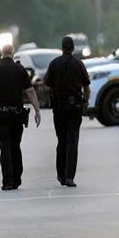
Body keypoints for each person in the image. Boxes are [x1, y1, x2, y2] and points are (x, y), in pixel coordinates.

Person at [0, 44, 41, 190]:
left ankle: (7, 181)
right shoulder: (20, 69)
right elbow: (30, 91)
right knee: (15, 146)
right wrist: (37, 110)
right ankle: (17, 179)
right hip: (16, 116)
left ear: (2, 53)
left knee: (5, 148)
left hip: (0, 116)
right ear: (13, 53)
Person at [43, 36, 90, 187]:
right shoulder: (78, 64)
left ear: (62, 47)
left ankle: (61, 175)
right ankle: (70, 177)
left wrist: (56, 92)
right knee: (72, 141)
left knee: (61, 141)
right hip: (75, 108)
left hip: (59, 108)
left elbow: (46, 86)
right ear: (73, 48)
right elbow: (87, 87)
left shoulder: (54, 64)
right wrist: (85, 101)